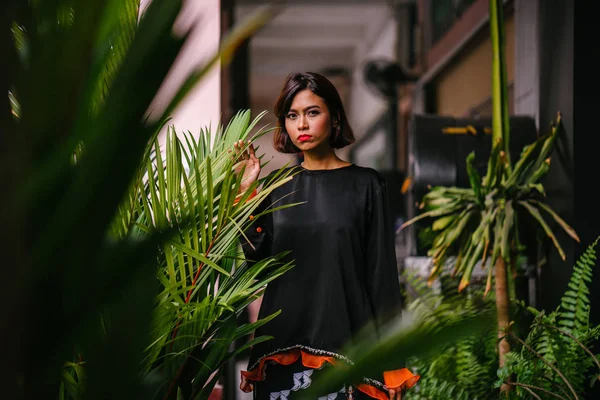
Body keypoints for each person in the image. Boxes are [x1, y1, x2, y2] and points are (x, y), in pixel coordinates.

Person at [232, 72, 419, 400]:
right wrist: (245, 193)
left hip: (349, 348)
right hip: (282, 349)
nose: (301, 124)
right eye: (292, 116)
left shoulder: (367, 185)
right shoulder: (277, 186)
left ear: (334, 117)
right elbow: (255, 258)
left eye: (312, 112)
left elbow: (382, 279)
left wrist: (392, 362)